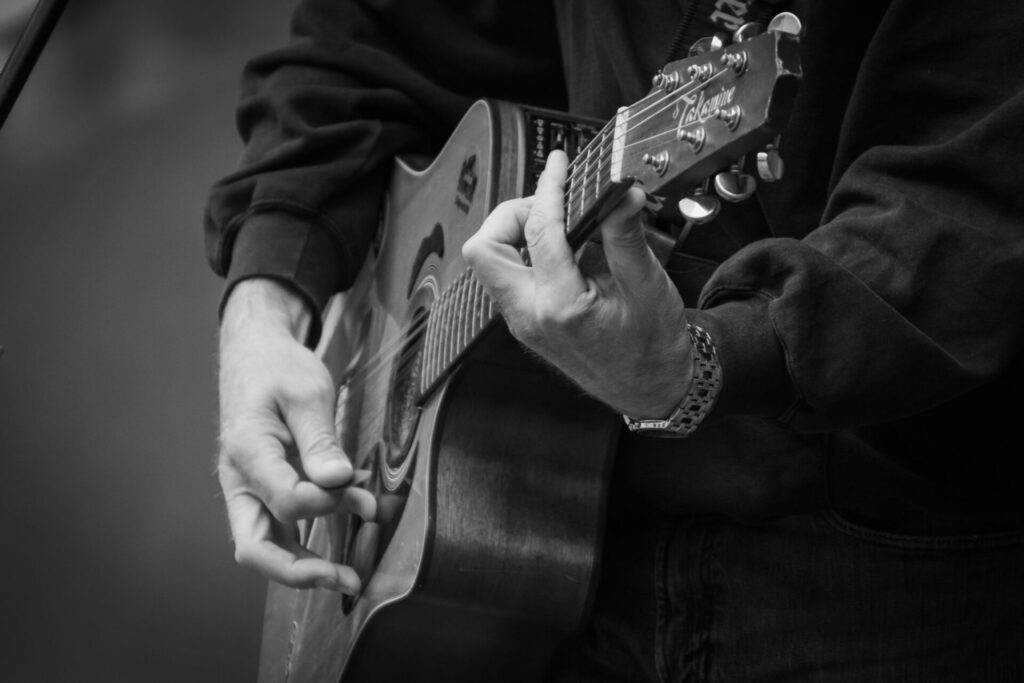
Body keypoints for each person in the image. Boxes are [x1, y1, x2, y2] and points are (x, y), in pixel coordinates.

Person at [206, 0, 1024, 679]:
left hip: (893, 574)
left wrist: (701, 359)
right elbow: (374, 34)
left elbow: (969, 214)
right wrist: (264, 308)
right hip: (562, 554)